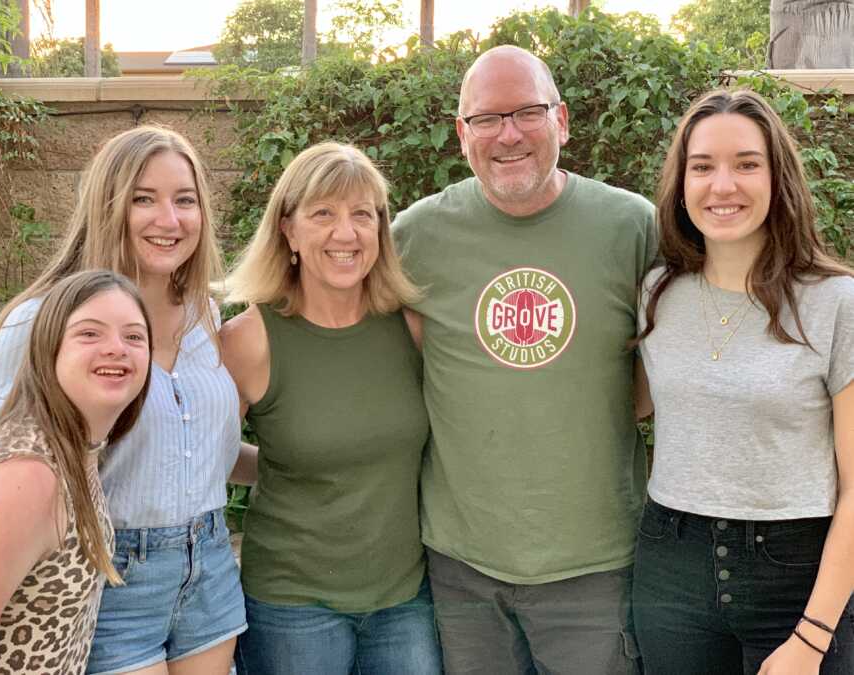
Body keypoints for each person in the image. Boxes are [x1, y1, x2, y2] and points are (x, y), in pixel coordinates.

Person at [391, 45, 657, 674]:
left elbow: (658, 377)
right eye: (486, 119)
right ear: (462, 135)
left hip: (595, 565)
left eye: (527, 113)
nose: (507, 134)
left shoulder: (631, 227)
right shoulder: (415, 237)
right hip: (463, 567)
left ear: (561, 120)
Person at [0, 126, 248, 674]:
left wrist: (315, 468)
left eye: (185, 200)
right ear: (108, 206)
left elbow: (202, 450)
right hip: (112, 571)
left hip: (209, 564)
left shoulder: (206, 315)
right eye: (144, 199)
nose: (170, 219)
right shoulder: (43, 320)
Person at [633, 89, 854, 674]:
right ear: (682, 183)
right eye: (702, 167)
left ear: (777, 177)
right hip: (669, 569)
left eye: (746, 164)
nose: (722, 185)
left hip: (799, 574)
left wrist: (812, 640)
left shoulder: (836, 304)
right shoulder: (656, 295)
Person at [219, 142, 442, 675]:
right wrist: (278, 463)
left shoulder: (412, 329)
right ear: (289, 230)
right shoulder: (249, 341)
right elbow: (205, 454)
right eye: (324, 214)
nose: (346, 234)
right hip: (290, 605)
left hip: (404, 599)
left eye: (362, 215)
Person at [0, 270, 152, 674]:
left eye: (134, 336)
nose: (117, 348)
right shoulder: (25, 476)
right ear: (49, 350)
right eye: (89, 334)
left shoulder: (75, 450)